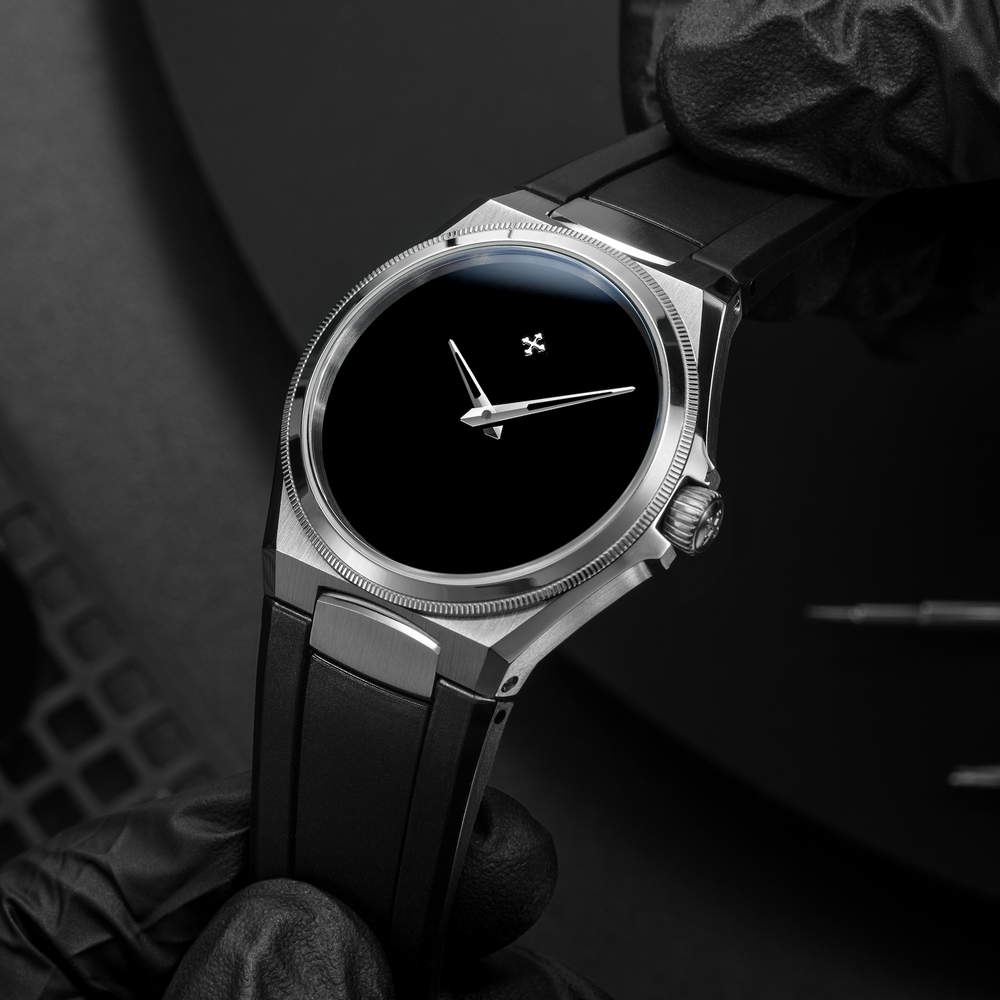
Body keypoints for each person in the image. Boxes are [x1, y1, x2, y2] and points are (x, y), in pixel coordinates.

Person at [3, 0, 998, 996]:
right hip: (336, 551)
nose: (482, 417)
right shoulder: (447, 300)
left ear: (676, 515)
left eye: (489, 415)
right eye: (479, 409)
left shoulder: (655, 344)